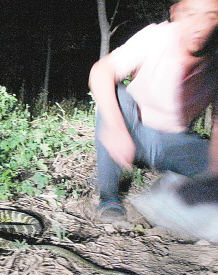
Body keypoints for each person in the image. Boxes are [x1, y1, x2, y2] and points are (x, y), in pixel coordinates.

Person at [89, 0, 218, 222]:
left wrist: (213, 172)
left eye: (211, 16)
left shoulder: (214, 59)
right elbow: (101, 71)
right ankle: (109, 196)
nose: (199, 26)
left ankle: (171, 190)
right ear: (175, 13)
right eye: (190, 14)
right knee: (118, 95)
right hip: (134, 131)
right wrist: (117, 129)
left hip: (174, 143)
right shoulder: (156, 36)